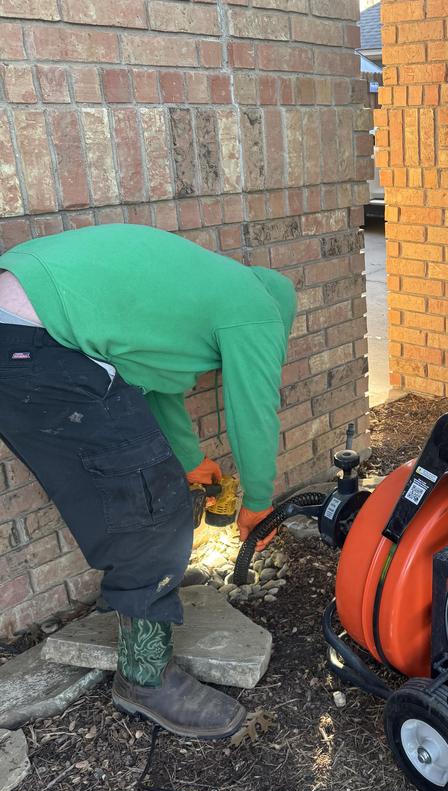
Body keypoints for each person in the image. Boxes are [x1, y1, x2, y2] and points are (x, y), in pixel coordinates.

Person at [0, 224, 296, 739]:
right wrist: (258, 503)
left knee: (133, 484)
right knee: (153, 507)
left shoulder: (200, 289)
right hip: (33, 339)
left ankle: (135, 597)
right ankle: (146, 678)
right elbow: (255, 408)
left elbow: (154, 391)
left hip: (24, 324)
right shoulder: (257, 309)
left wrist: (192, 461)